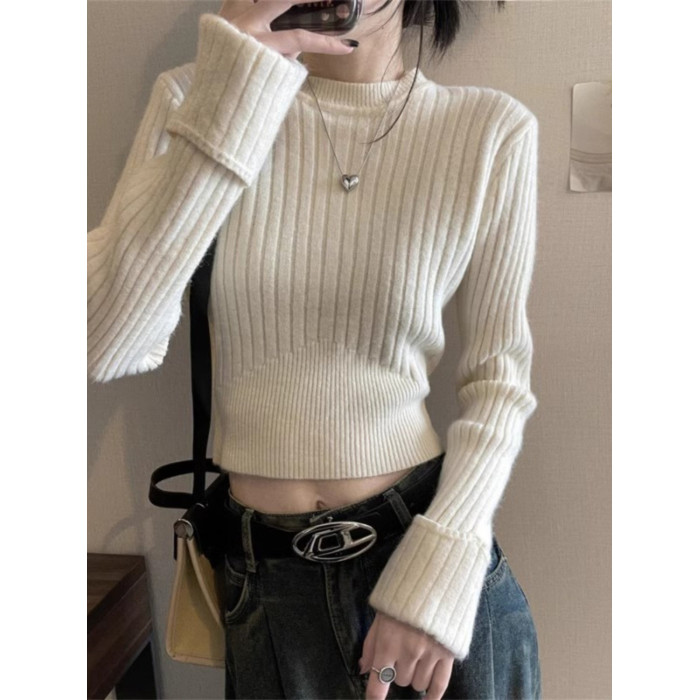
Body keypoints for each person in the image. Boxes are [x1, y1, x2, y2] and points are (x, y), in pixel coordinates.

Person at [87, 0, 542, 698]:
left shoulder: (490, 128)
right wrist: (235, 89)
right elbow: (106, 340)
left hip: (425, 569)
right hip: (265, 583)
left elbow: (499, 381)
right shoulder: (196, 96)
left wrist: (438, 575)